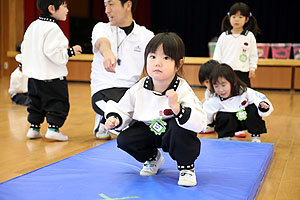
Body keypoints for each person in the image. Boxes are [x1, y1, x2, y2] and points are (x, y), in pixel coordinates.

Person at [104, 32, 206, 187]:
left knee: (180, 131)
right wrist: (115, 118)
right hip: (149, 129)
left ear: (178, 64)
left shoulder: (182, 88)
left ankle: (187, 168)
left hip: (173, 132)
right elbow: (123, 107)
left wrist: (178, 109)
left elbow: (200, 122)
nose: (157, 63)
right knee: (125, 139)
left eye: (165, 58)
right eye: (152, 57)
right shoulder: (141, 86)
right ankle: (152, 158)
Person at [91, 0, 154, 140]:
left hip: (130, 92)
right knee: (128, 126)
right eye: (105, 5)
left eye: (111, 4)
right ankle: (105, 118)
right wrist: (107, 53)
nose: (107, 10)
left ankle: (105, 119)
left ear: (128, 5)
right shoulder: (101, 28)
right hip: (103, 90)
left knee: (145, 119)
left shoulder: (146, 35)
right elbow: (102, 42)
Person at [19, 0, 82, 141]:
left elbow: (25, 48)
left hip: (34, 78)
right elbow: (54, 53)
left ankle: (34, 128)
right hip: (52, 78)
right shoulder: (53, 29)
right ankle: (53, 128)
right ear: (52, 9)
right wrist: (70, 52)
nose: (67, 10)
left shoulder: (33, 25)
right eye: (65, 6)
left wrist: (24, 62)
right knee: (58, 102)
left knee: (36, 103)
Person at [213, 2, 260, 138]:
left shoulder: (249, 36)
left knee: (243, 101)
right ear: (229, 18)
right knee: (226, 100)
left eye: (240, 17)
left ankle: (240, 127)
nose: (237, 20)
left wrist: (252, 68)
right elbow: (218, 55)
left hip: (243, 74)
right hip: (226, 74)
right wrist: (216, 70)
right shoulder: (224, 36)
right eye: (234, 16)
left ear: (247, 19)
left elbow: (253, 54)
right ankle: (226, 127)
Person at [203, 64, 274, 143]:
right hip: (230, 122)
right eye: (216, 86)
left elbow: (258, 98)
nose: (220, 90)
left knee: (253, 108)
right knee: (222, 116)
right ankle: (224, 137)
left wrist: (263, 106)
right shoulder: (215, 99)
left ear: (232, 82)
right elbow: (206, 113)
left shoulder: (244, 91)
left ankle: (255, 136)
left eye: (223, 85)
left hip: (245, 119)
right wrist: (204, 125)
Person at [198, 59, 219, 134]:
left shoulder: (223, 90)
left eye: (210, 81)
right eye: (206, 82)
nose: (209, 85)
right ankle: (210, 125)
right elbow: (205, 101)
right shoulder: (208, 91)